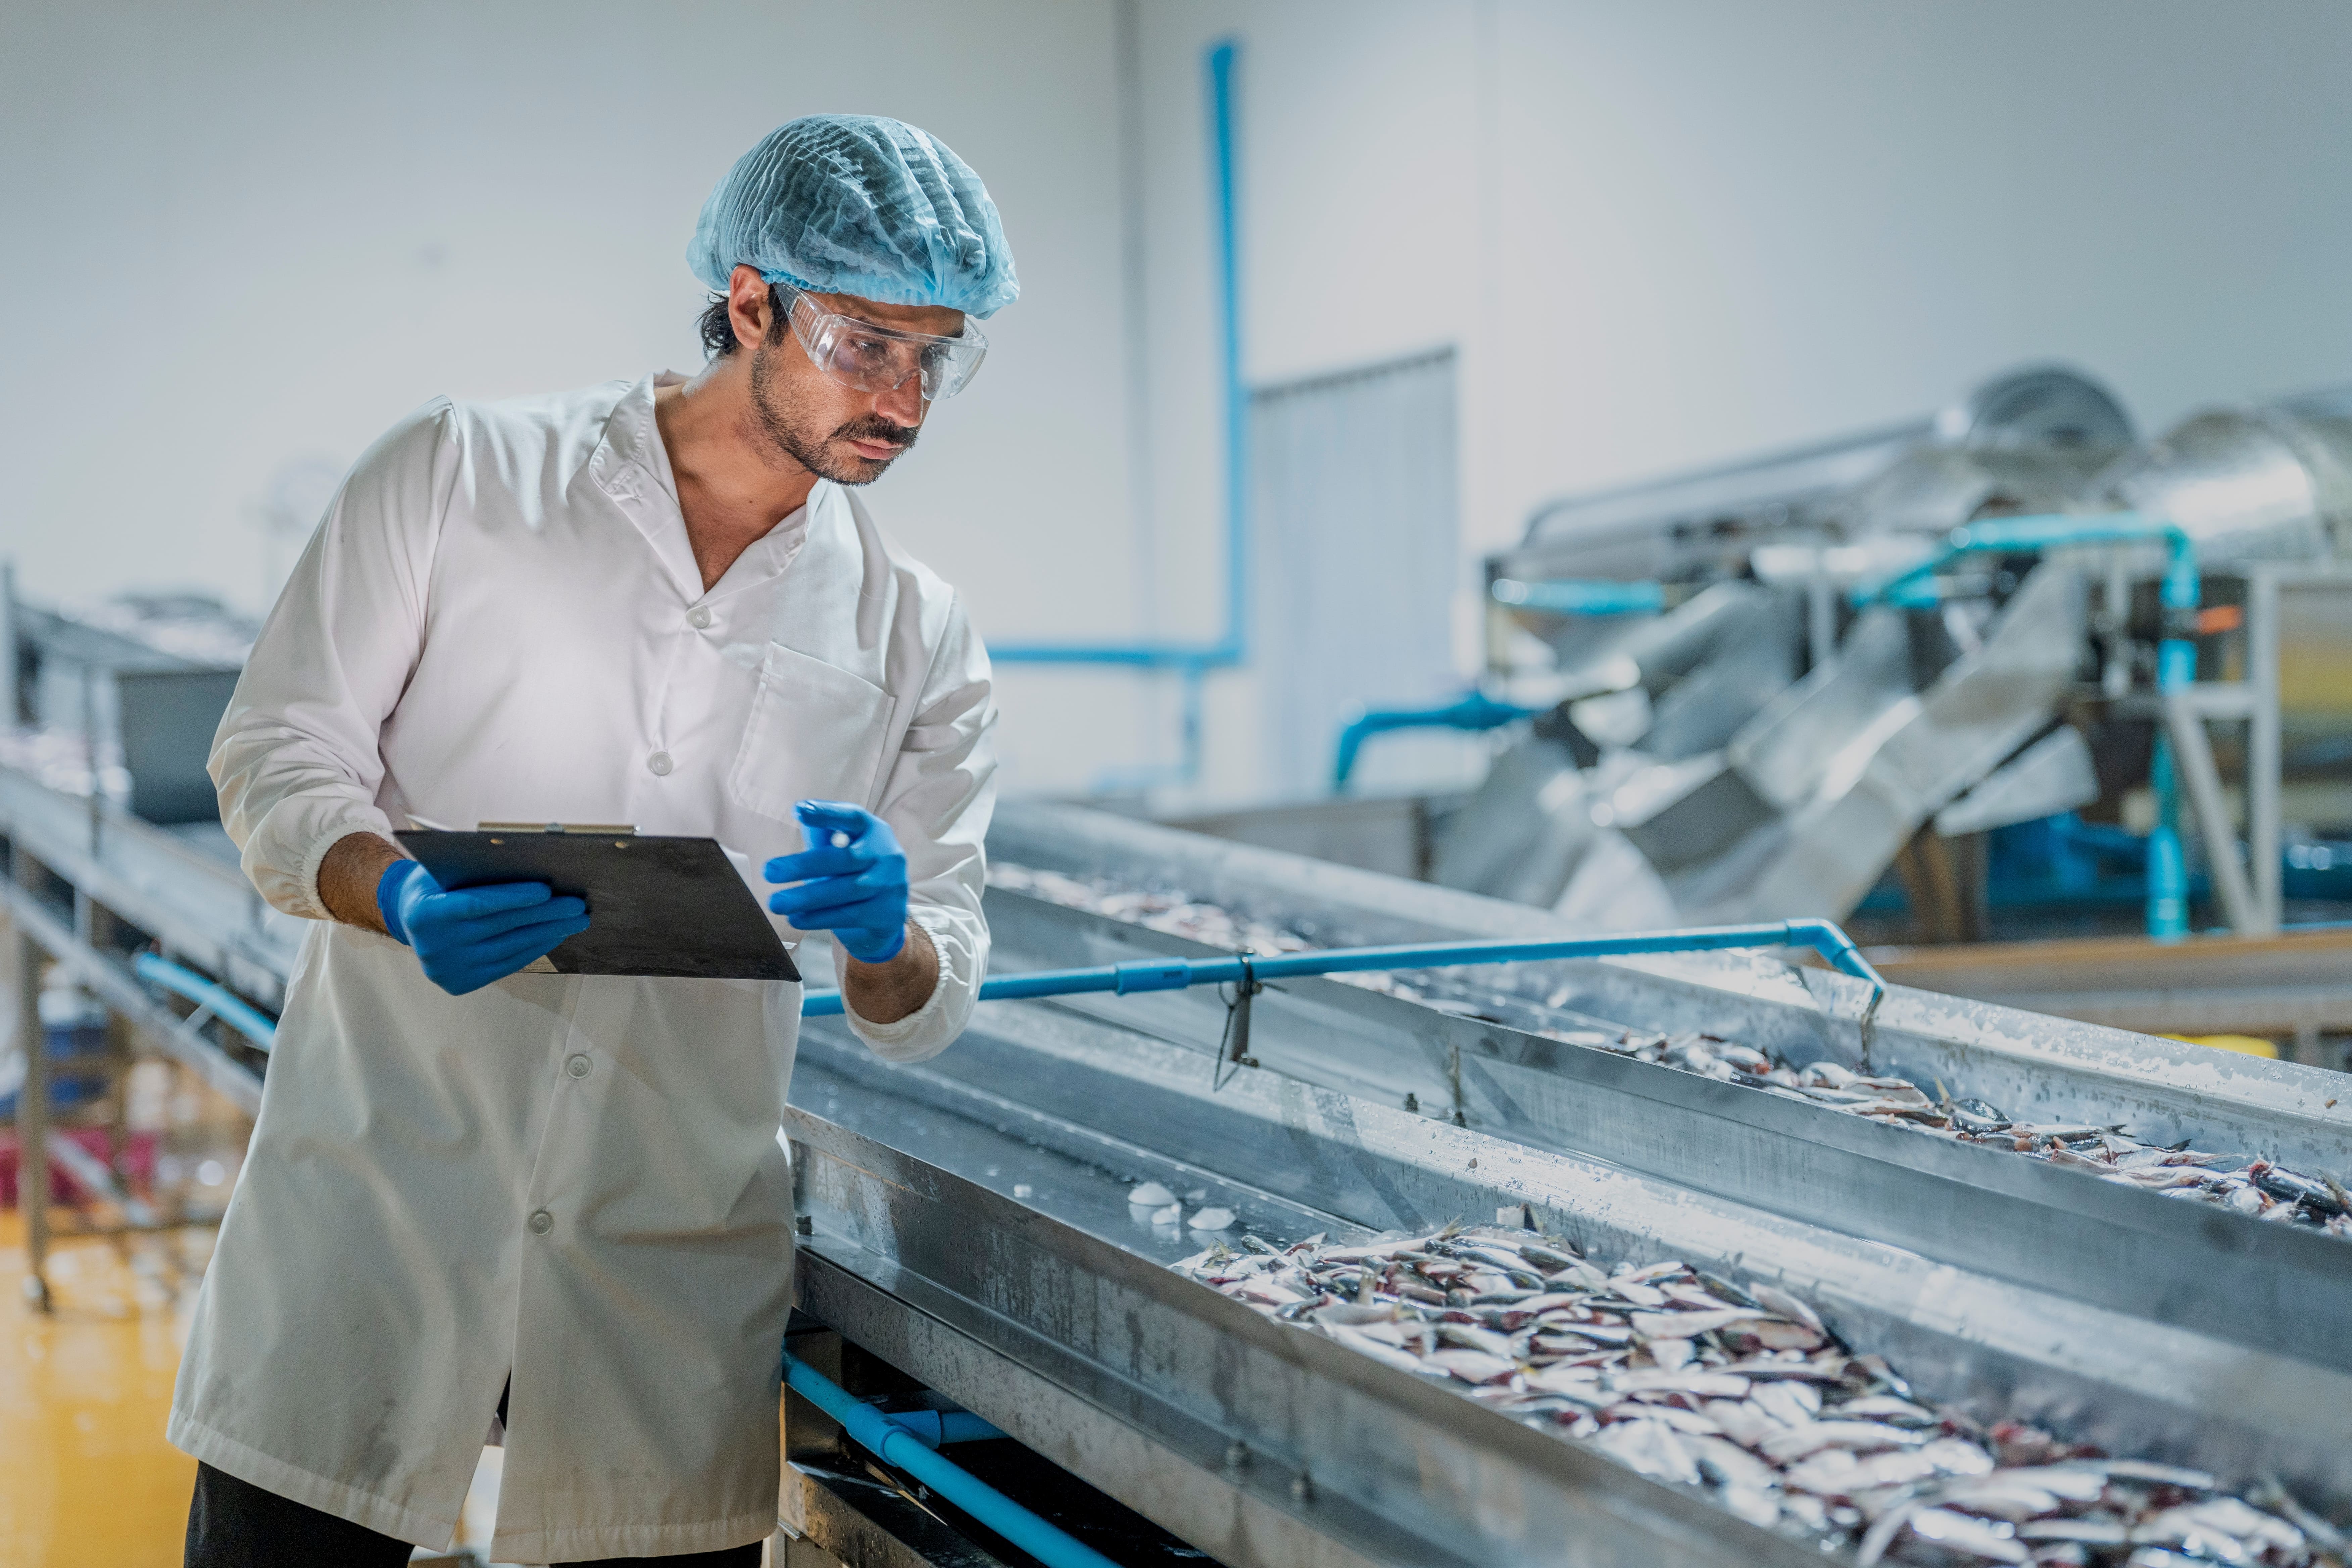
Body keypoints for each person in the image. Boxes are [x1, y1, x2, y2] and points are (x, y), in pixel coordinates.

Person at [174, 115, 1014, 1566]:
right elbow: (276, 748)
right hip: (380, 1204)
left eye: (936, 355)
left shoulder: (916, 631)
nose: (908, 399)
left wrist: (889, 937)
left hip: (660, 1263)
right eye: (867, 342)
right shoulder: (460, 475)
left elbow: (929, 990)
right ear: (750, 300)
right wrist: (394, 894)